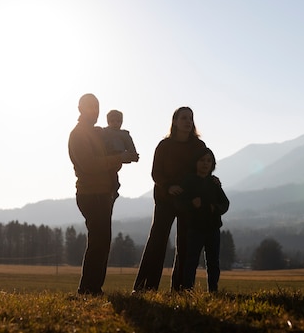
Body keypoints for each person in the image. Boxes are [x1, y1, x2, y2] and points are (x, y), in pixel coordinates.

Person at [68, 93, 139, 295]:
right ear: (80, 108)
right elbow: (89, 164)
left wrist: (120, 159)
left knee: (101, 241)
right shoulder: (79, 134)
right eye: (90, 106)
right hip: (92, 193)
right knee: (99, 241)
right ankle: (89, 289)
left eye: (97, 107)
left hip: (103, 192)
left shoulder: (97, 133)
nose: (95, 111)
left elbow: (105, 161)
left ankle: (92, 288)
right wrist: (119, 157)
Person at [133, 106, 206, 292]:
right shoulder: (164, 146)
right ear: (174, 121)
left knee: (185, 244)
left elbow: (205, 168)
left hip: (188, 200)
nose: (188, 121)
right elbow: (156, 172)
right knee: (157, 241)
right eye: (183, 118)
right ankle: (145, 287)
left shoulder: (199, 147)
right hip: (165, 199)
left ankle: (181, 288)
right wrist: (168, 186)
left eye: (190, 118)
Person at [178, 147, 229, 292]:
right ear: (195, 162)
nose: (205, 164)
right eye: (202, 160)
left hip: (213, 228)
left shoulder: (214, 183)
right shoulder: (188, 182)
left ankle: (213, 290)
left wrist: (215, 208)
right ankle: (188, 290)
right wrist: (191, 204)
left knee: (213, 263)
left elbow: (225, 203)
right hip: (195, 228)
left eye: (208, 161)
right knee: (191, 262)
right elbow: (179, 203)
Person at [101, 110, 137, 200]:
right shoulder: (103, 132)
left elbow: (131, 148)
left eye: (118, 121)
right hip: (106, 159)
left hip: (117, 159)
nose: (115, 124)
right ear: (108, 122)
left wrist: (132, 156)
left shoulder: (124, 135)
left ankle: (113, 191)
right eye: (112, 121)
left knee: (113, 178)